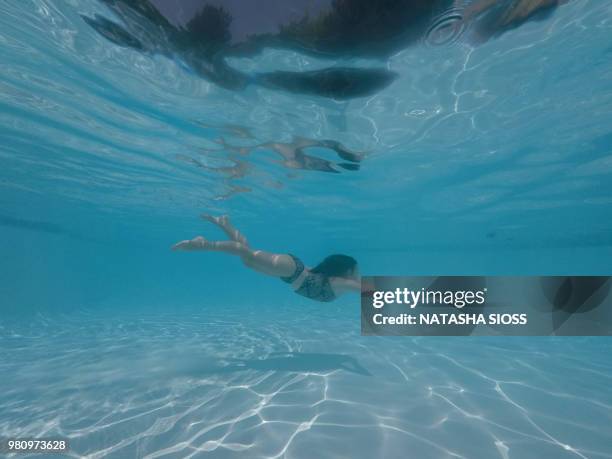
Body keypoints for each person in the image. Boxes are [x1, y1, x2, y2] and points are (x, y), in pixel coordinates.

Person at [172, 215, 361, 302]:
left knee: (247, 257)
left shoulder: (338, 282)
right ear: (347, 270)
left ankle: (225, 224)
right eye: (356, 270)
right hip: (291, 269)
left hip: (290, 273)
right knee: (247, 255)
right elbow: (369, 291)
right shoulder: (342, 283)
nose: (359, 273)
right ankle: (203, 244)